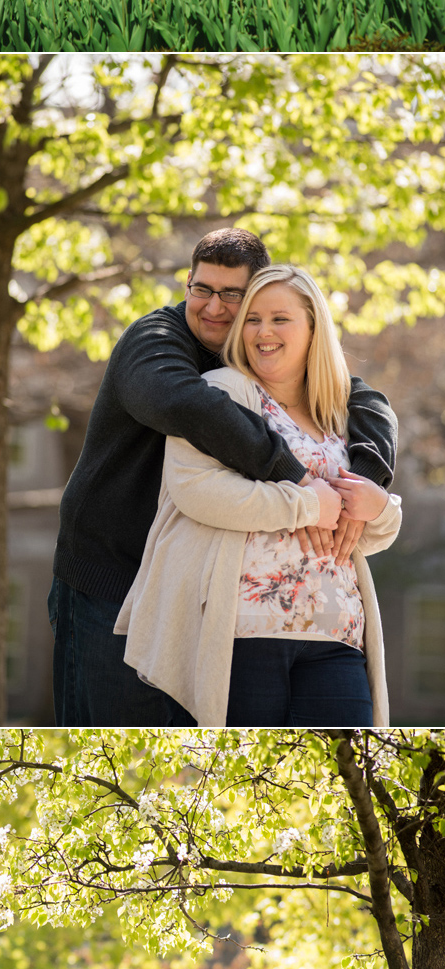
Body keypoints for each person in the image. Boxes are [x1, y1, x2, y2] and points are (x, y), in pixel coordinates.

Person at [49, 229, 396, 728]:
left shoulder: (265, 357)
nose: (213, 307)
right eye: (202, 289)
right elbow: (182, 403)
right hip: (110, 576)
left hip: (192, 589)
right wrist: (297, 479)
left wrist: (357, 489)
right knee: (115, 733)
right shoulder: (157, 341)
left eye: (232, 295)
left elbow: (367, 402)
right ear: (186, 284)